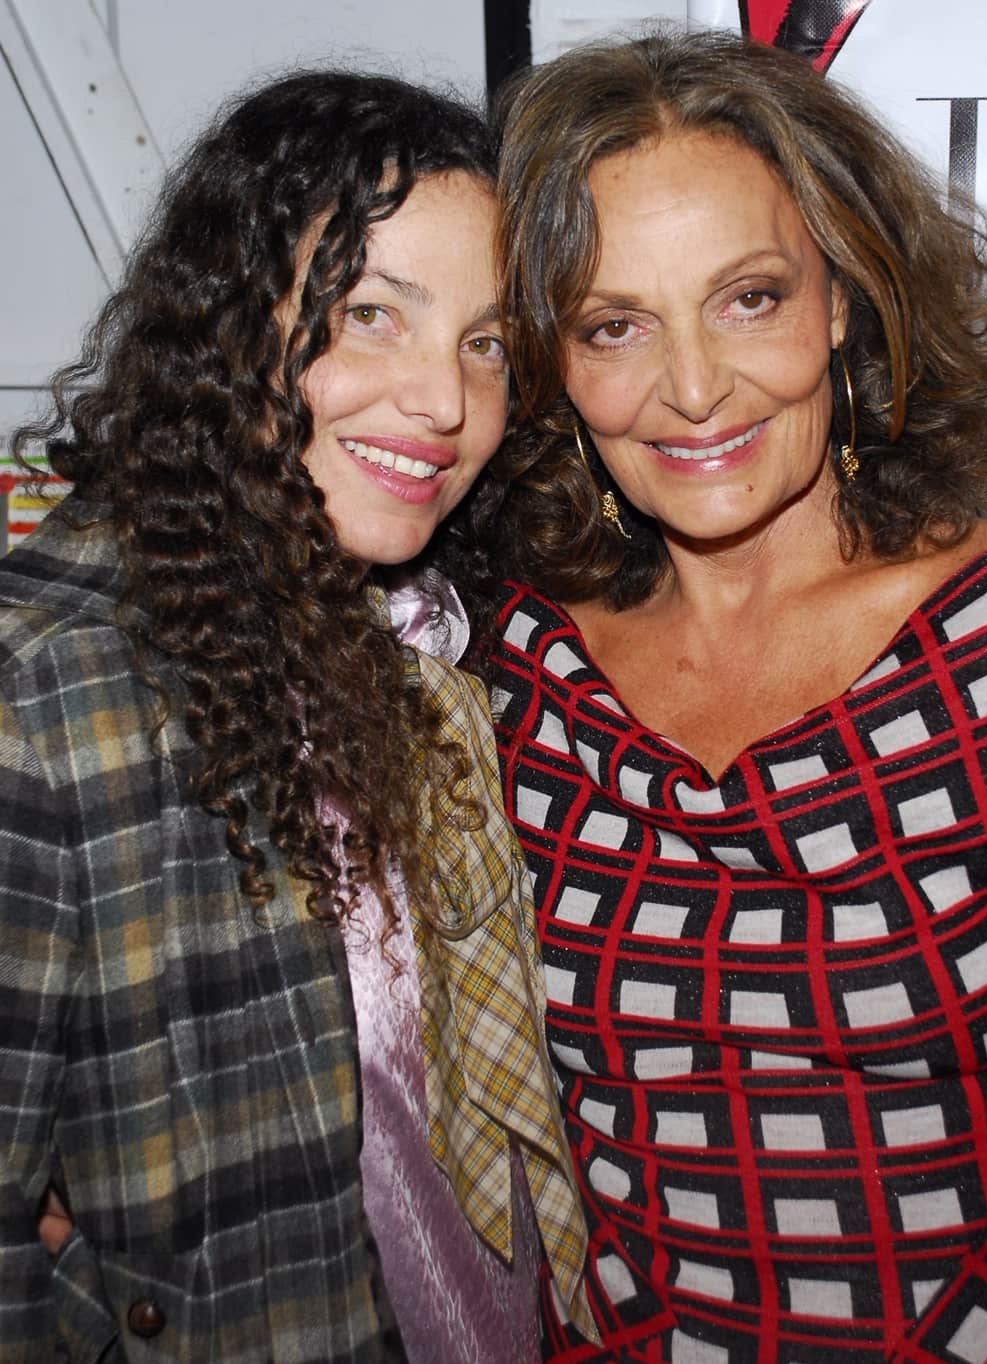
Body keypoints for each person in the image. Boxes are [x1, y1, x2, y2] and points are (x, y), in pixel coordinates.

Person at [480, 29, 987, 1362]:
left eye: (747, 297)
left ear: (839, 302)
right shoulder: (519, 671)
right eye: (615, 325)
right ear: (554, 365)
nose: (691, 389)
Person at [0, 71, 595, 1362]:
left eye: (487, 343)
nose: (445, 402)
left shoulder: (433, 646)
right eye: (372, 314)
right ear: (222, 328)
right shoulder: (45, 692)